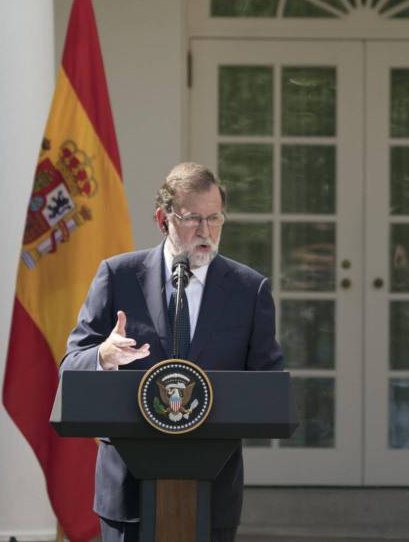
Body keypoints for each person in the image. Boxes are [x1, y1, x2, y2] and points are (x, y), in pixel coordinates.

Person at [60, 162, 283, 542]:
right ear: (163, 218)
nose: (206, 232)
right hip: (127, 491)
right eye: (193, 219)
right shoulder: (118, 276)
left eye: (215, 219)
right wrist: (103, 356)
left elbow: (271, 386)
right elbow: (71, 365)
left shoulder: (249, 290)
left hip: (212, 491)